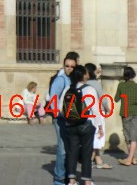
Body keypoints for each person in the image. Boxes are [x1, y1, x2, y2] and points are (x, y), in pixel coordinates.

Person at [61, 65, 97, 185]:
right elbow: (96, 110)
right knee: (87, 152)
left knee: (72, 152)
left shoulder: (67, 89)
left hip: (70, 124)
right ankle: (87, 181)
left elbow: (61, 108)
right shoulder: (90, 89)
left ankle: (71, 180)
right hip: (86, 124)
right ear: (83, 75)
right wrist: (99, 126)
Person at [47, 51, 79, 185]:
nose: (69, 68)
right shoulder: (61, 79)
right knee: (62, 148)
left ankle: (67, 174)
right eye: (67, 66)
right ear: (64, 65)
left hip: (70, 119)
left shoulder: (73, 79)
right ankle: (59, 178)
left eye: (72, 66)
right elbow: (53, 97)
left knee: (69, 147)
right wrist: (58, 114)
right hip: (60, 118)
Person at [83, 63, 110, 169]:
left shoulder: (83, 83)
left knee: (93, 137)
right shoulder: (95, 83)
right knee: (98, 136)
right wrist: (107, 108)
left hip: (86, 113)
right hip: (96, 113)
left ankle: (98, 160)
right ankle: (89, 161)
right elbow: (102, 97)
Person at [115, 65, 137, 166]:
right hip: (135, 112)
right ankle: (132, 158)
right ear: (133, 75)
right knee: (134, 136)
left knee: (127, 136)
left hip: (125, 112)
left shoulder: (121, 85)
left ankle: (128, 159)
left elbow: (116, 99)